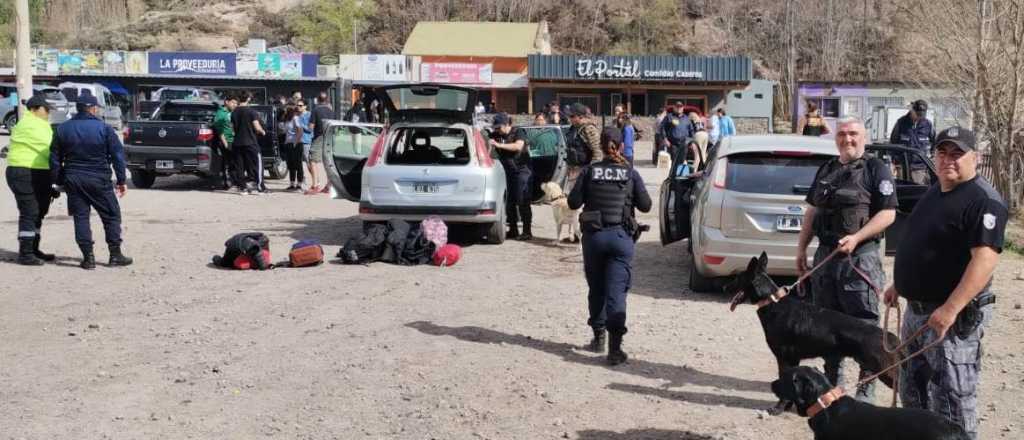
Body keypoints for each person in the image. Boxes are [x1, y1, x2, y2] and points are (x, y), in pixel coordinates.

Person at [884, 127, 1006, 440]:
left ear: (975, 158)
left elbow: (985, 260)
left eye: (957, 153)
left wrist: (951, 308)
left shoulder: (983, 201)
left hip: (948, 318)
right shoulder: (936, 190)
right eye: (942, 152)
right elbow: (924, 242)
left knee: (951, 404)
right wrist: (900, 284)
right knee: (914, 396)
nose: (948, 159)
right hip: (917, 313)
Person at [796, 117, 897, 402]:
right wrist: (801, 249)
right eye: (842, 134)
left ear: (864, 137)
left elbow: (888, 214)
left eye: (853, 133)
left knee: (865, 329)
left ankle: (866, 390)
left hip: (859, 261)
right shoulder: (827, 169)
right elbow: (812, 211)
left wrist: (857, 237)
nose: (847, 139)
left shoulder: (876, 169)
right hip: (825, 259)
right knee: (826, 327)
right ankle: (832, 386)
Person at [568, 127, 652, 365]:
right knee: (616, 293)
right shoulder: (630, 173)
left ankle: (599, 338)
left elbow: (573, 202)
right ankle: (615, 350)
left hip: (594, 239)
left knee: (596, 289)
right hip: (620, 238)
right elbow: (646, 205)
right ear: (621, 146)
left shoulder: (589, 171)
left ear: (601, 147)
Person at [50, 94, 133, 270]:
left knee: (81, 217)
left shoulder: (62, 129)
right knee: (111, 215)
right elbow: (118, 156)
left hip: (73, 179)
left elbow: (55, 159)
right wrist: (121, 181)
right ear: (94, 108)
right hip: (99, 179)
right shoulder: (105, 129)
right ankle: (115, 255)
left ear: (78, 108)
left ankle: (88, 258)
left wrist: (59, 180)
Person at [6, 95, 57, 265]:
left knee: (40, 211)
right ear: (35, 109)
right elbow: (51, 147)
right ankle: (25, 254)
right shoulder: (31, 124)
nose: (48, 113)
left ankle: (34, 249)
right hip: (23, 171)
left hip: (38, 172)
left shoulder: (39, 123)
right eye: (46, 109)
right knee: (30, 211)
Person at [489, 113, 533, 240]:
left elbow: (518, 146)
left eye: (499, 127)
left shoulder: (518, 132)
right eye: (495, 128)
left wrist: (499, 145)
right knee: (509, 202)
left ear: (506, 124)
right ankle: (513, 230)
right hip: (507, 172)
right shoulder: (496, 135)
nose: (497, 130)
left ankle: (527, 232)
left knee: (523, 201)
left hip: (522, 171)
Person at [889, 100, 935, 185]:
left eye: (921, 115)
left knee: (918, 190)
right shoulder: (901, 123)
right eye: (917, 114)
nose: (919, 117)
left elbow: (935, 142)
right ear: (912, 110)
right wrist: (893, 162)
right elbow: (893, 142)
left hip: (919, 167)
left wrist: (932, 157)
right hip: (902, 165)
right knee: (903, 190)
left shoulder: (928, 124)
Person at [231, 92, 267, 195]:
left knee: (240, 166)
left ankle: (243, 188)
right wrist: (263, 132)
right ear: (248, 99)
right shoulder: (251, 111)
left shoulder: (234, 112)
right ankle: (260, 188)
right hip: (250, 142)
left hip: (237, 143)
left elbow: (232, 129)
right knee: (258, 163)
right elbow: (257, 127)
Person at [565, 103, 603, 191]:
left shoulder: (589, 128)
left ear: (581, 116)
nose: (569, 118)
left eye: (572, 116)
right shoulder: (574, 128)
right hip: (573, 170)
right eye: (569, 116)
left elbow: (597, 151)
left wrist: (591, 171)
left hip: (584, 170)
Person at [306, 92, 334, 195]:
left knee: (312, 160)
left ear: (317, 100)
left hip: (319, 137)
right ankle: (329, 186)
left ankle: (315, 185)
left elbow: (311, 127)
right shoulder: (331, 111)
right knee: (328, 161)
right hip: (330, 137)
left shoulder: (315, 110)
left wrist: (305, 128)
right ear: (327, 100)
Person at [212, 95, 237, 190]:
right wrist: (225, 143)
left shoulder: (231, 112)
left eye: (236, 103)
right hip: (226, 141)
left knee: (233, 162)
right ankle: (226, 182)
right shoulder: (221, 113)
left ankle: (234, 181)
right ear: (226, 102)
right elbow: (219, 129)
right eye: (233, 102)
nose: (235, 105)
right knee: (226, 163)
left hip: (233, 140)